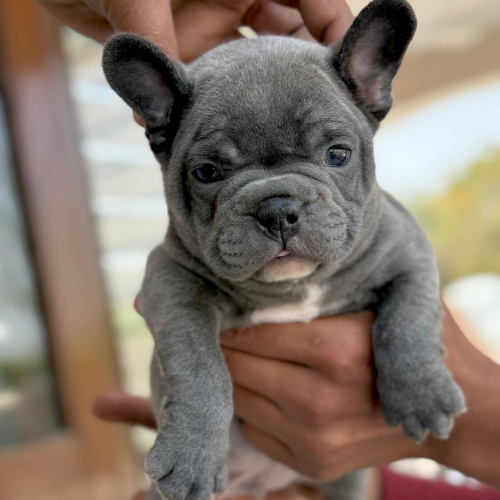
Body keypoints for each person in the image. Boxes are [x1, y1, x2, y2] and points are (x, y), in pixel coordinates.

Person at [37, 1, 500, 498]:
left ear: (369, 93)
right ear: (160, 122)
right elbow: (168, 285)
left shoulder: (386, 233)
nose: (280, 214)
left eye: (335, 155)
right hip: (230, 455)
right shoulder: (186, 263)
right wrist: (197, 415)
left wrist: (413, 363)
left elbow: (410, 265)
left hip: (346, 468)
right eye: (211, 172)